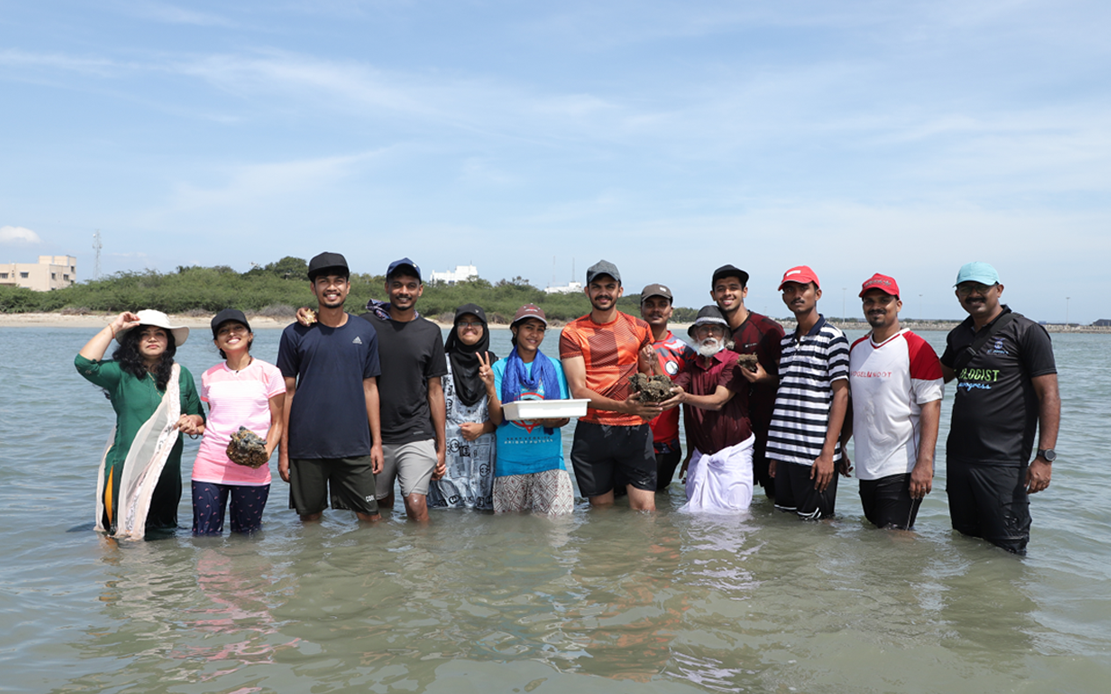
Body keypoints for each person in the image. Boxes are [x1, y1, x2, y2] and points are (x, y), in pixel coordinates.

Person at [939, 262, 1060, 554]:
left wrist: (1044, 458)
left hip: (1004, 464)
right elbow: (933, 377)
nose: (974, 294)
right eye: (966, 288)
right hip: (959, 461)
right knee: (965, 545)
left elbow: (1049, 395)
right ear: (957, 294)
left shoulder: (1027, 332)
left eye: (981, 287)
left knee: (1007, 552)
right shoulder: (959, 335)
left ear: (999, 290)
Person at [76, 309, 204, 538]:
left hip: (167, 471)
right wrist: (114, 327)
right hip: (126, 468)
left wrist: (191, 421)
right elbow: (84, 363)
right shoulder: (120, 373)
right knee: (118, 536)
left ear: (169, 342)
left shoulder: (181, 375)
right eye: (145, 334)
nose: (153, 338)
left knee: (164, 537)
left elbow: (198, 417)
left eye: (160, 334)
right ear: (134, 342)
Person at [277, 252, 384, 525]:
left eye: (338, 281)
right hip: (307, 446)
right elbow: (286, 393)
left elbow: (370, 387)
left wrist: (377, 444)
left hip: (354, 445)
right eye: (323, 281)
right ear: (313, 288)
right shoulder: (294, 334)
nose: (331, 287)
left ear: (348, 287)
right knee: (310, 520)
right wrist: (284, 450)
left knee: (370, 519)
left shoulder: (365, 331)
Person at [560, 260, 664, 511]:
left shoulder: (639, 328)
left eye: (610, 286)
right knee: (601, 514)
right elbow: (578, 391)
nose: (603, 292)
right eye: (596, 287)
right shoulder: (572, 332)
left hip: (635, 431)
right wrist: (624, 407)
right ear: (587, 291)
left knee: (645, 511)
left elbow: (650, 375)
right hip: (593, 431)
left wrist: (662, 382)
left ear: (620, 290)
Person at [846, 274, 943, 530]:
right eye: (869, 301)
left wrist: (925, 464)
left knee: (896, 543)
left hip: (902, 467)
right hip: (866, 468)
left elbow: (931, 406)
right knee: (874, 542)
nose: (876, 306)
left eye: (884, 300)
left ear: (898, 305)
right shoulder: (856, 349)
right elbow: (854, 405)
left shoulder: (917, 348)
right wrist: (841, 446)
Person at [359, 258, 448, 522]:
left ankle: (421, 560)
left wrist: (441, 446)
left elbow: (435, 391)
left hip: (416, 433)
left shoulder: (430, 332)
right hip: (373, 435)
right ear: (386, 288)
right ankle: (380, 560)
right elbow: (333, 324)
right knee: (376, 507)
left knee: (416, 502)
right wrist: (309, 316)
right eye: (397, 285)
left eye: (411, 285)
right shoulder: (366, 326)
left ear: (420, 290)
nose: (404, 291)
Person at [190, 309, 286, 535]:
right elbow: (215, 418)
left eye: (238, 328)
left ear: (250, 335)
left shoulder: (270, 373)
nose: (231, 333)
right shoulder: (209, 376)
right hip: (209, 464)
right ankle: (210, 573)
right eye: (223, 331)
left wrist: (265, 454)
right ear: (217, 343)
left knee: (247, 537)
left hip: (253, 466)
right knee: (204, 535)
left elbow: (278, 422)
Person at [766, 265, 851, 520]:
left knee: (816, 532)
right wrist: (776, 454)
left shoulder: (833, 338)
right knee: (787, 531)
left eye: (804, 288)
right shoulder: (786, 341)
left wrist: (828, 454)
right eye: (790, 290)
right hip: (784, 454)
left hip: (814, 457)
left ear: (818, 293)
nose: (797, 295)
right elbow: (787, 395)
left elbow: (842, 395)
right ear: (783, 297)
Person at [483, 304, 575, 514]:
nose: (534, 334)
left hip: (550, 463)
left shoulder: (555, 367)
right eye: (529, 327)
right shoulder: (500, 368)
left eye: (540, 329)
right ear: (515, 330)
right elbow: (497, 419)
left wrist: (549, 420)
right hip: (510, 464)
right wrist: (489, 385)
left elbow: (564, 417)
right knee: (512, 536)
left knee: (556, 534)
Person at [665, 306, 755, 513]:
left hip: (733, 456)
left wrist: (684, 397)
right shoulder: (691, 366)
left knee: (735, 521)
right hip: (701, 454)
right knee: (697, 525)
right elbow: (676, 393)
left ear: (725, 335)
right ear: (696, 335)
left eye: (716, 329)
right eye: (703, 329)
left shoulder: (733, 362)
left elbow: (718, 401)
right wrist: (689, 454)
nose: (710, 334)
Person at [710, 264, 785, 500]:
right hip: (732, 441)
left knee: (777, 506)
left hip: (769, 435)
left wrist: (765, 378)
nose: (727, 293)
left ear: (745, 291)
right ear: (713, 295)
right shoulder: (713, 335)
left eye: (733, 287)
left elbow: (791, 383)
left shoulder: (768, 330)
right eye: (720, 289)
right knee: (732, 508)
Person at [428, 304, 497, 510]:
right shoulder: (440, 363)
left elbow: (505, 416)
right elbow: (427, 408)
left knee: (484, 524)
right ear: (455, 328)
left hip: (485, 458)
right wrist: (433, 453)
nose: (469, 327)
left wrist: (483, 428)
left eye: (476, 323)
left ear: (484, 328)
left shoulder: (495, 364)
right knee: (444, 521)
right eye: (463, 323)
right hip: (445, 456)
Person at [639, 283, 695, 491]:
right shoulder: (629, 346)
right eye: (650, 304)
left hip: (665, 445)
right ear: (641, 309)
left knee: (660, 505)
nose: (656, 309)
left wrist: (692, 451)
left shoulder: (684, 352)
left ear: (670, 311)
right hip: (630, 439)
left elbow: (689, 404)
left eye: (662, 305)